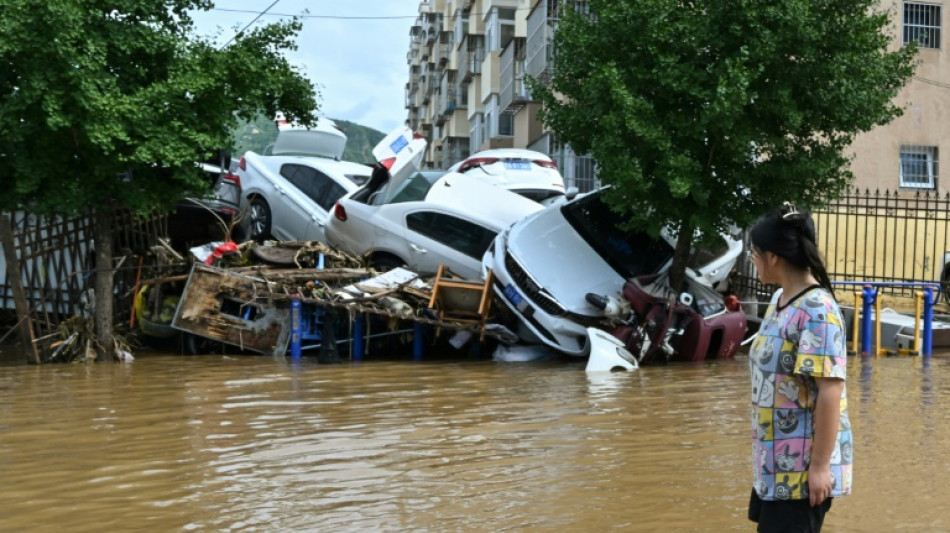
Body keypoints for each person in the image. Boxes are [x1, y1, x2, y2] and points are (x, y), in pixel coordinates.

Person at [746, 202, 852, 532]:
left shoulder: (818, 311)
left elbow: (830, 393)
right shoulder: (780, 302)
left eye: (755, 252)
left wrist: (819, 467)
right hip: (773, 461)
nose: (753, 259)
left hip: (801, 471)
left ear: (773, 257)